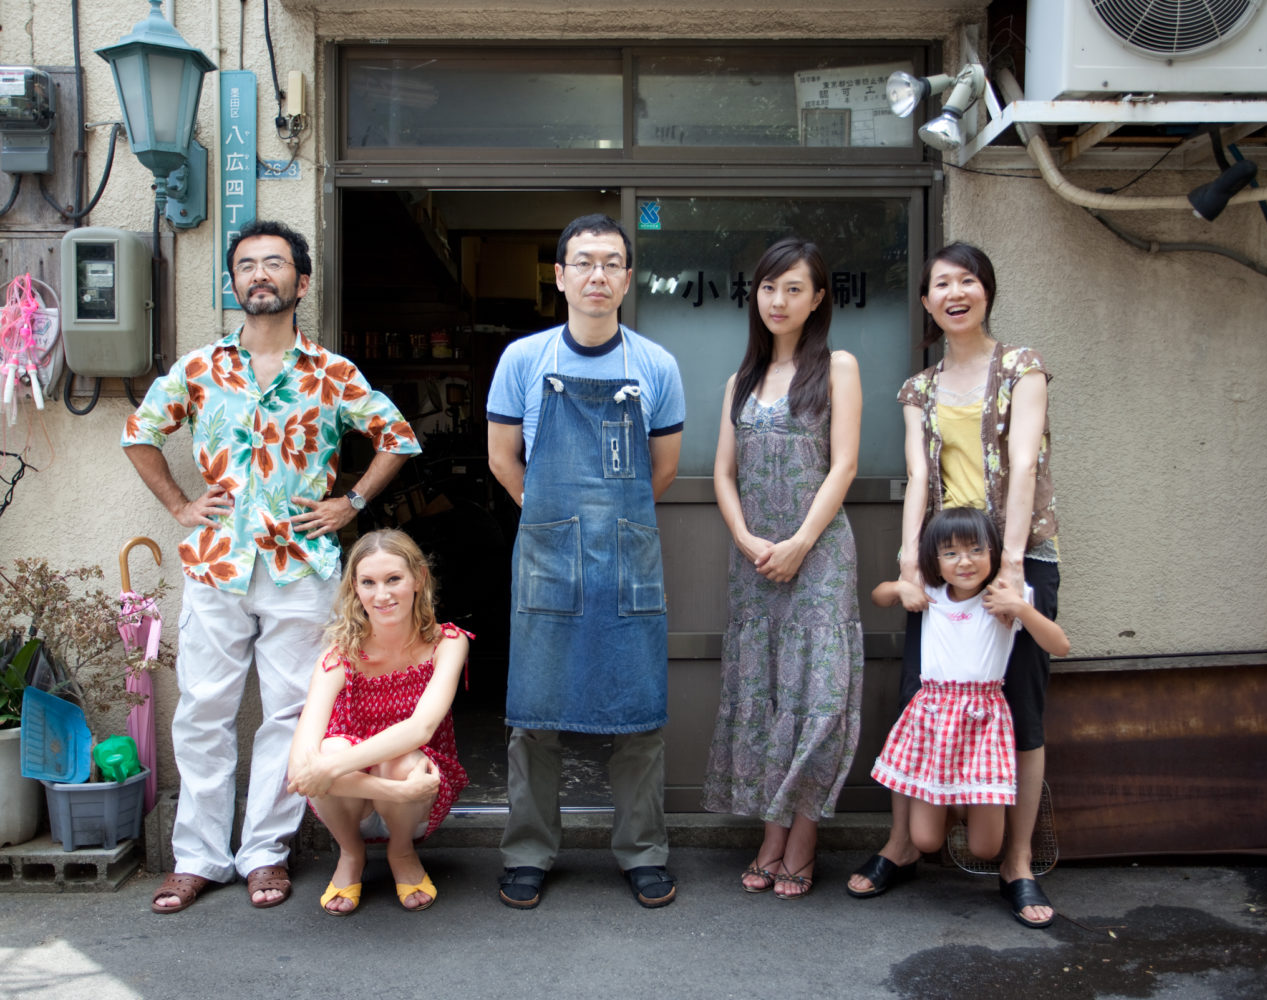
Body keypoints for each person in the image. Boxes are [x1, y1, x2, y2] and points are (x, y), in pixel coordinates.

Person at [122, 220, 421, 913]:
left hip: (302, 565)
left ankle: (265, 853)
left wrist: (352, 501)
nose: (259, 274)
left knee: (291, 714)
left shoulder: (332, 373)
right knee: (203, 711)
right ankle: (197, 858)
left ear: (301, 281)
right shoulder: (200, 368)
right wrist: (179, 505)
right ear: (233, 283)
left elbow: (398, 436)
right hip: (216, 561)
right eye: (247, 265)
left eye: (275, 263)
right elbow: (139, 433)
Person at [847, 242, 1063, 929]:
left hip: (1019, 556)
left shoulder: (1023, 368)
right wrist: (910, 563)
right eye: (941, 284)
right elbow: (919, 477)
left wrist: (1013, 563)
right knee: (921, 696)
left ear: (986, 291)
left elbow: (1023, 464)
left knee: (1021, 708)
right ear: (927, 302)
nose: (955, 293)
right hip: (947, 561)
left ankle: (1017, 862)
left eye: (967, 281)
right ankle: (903, 844)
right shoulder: (920, 388)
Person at [486, 214, 685, 909]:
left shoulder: (656, 365)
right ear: (560, 276)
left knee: (640, 712)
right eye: (583, 262)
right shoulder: (523, 359)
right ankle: (528, 851)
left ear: (627, 279)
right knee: (534, 714)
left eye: (611, 263)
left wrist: (611, 521)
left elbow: (663, 468)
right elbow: (502, 458)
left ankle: (643, 851)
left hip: (629, 557)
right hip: (547, 555)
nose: (597, 275)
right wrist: (550, 518)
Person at [701, 237, 863, 899]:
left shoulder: (839, 367)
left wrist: (799, 542)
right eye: (770, 287)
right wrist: (745, 536)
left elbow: (844, 465)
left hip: (818, 559)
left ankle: (803, 838)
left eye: (794, 288)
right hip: (754, 562)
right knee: (766, 695)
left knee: (816, 698)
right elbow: (723, 472)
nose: (779, 300)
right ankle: (771, 834)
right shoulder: (739, 381)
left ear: (818, 298)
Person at [868, 508, 1068, 885]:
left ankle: (970, 802)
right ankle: (958, 805)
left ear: (993, 552)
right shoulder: (931, 593)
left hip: (983, 723)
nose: (965, 561)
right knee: (924, 839)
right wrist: (898, 588)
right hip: (933, 720)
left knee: (985, 848)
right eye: (951, 553)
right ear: (934, 560)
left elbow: (1059, 645)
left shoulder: (1004, 598)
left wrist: (1022, 609)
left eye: (976, 550)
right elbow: (878, 597)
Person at [286, 529, 470, 914]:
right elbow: (300, 766)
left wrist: (331, 769)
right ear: (355, 588)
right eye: (368, 582)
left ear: (418, 578)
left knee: (402, 758)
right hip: (357, 798)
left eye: (393, 579)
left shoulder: (448, 643)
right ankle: (350, 853)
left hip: (418, 788)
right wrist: (394, 792)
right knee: (329, 748)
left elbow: (420, 729)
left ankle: (401, 851)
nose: (381, 595)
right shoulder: (338, 655)